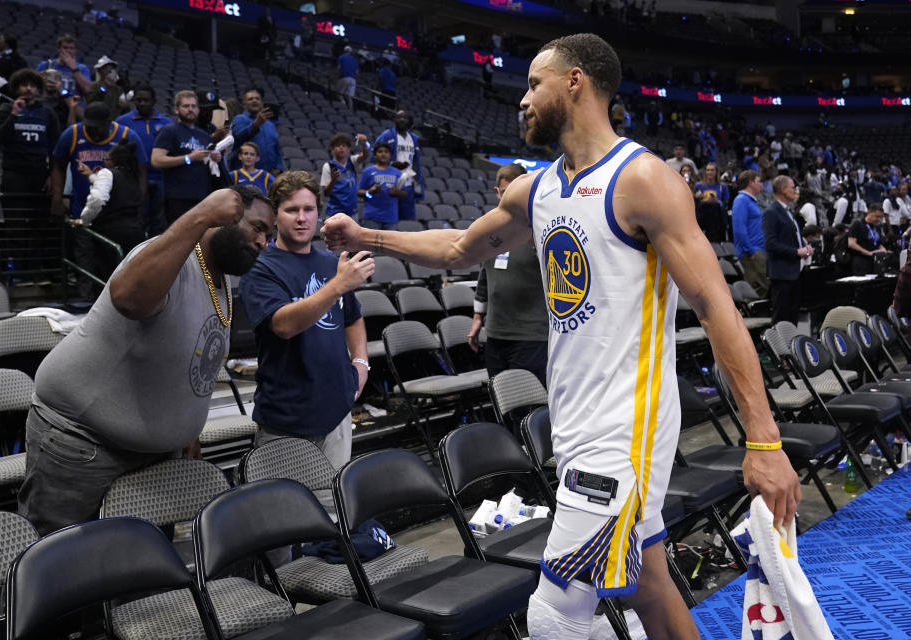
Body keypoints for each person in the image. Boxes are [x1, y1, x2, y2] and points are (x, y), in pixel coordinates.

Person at [324, 33, 799, 640]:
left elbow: (716, 308)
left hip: (625, 430)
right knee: (649, 588)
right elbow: (457, 249)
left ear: (575, 82)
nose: (522, 100)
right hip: (574, 423)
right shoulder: (536, 188)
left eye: (533, 84)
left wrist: (763, 441)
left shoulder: (643, 180)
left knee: (554, 617)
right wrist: (368, 236)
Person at [17, 185, 274, 535]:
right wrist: (200, 214)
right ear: (226, 215)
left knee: (137, 568)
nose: (262, 242)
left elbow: (197, 357)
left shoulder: (222, 280)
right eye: (257, 228)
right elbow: (129, 300)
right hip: (83, 441)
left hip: (154, 452)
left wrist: (187, 429)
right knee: (61, 567)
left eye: (269, 236)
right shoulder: (170, 256)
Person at [239, 171, 371, 469]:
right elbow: (284, 325)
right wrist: (338, 284)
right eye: (291, 210)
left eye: (308, 209)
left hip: (337, 411)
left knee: (333, 510)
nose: (302, 218)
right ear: (275, 216)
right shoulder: (260, 268)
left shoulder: (330, 262)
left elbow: (353, 317)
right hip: (288, 419)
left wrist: (361, 363)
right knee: (288, 511)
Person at [467, 162, 548, 385]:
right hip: (495, 333)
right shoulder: (489, 228)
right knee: (501, 400)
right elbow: (484, 276)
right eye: (505, 193)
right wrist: (477, 319)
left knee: (529, 407)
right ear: (497, 192)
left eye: (515, 193)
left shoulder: (541, 229)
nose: (510, 199)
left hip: (532, 335)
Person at [74, 140, 146, 280]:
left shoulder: (106, 173)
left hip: (110, 234)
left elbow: (98, 199)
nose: (104, 162)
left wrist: (84, 220)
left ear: (113, 161)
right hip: (135, 233)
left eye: (105, 159)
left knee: (107, 280)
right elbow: (114, 188)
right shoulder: (133, 176)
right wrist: (90, 175)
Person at [151, 90, 221, 225]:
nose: (190, 110)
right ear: (176, 110)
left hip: (201, 196)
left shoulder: (204, 135)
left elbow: (206, 162)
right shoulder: (169, 131)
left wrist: (214, 158)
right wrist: (189, 158)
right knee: (179, 238)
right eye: (186, 106)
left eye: (194, 106)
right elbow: (156, 160)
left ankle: (198, 248)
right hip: (177, 197)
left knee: (197, 239)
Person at [0, 68, 60, 196]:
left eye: (33, 85)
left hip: (40, 172)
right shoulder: (6, 109)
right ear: (17, 87)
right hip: (13, 172)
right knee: (14, 214)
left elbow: (55, 146)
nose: (29, 88)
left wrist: (52, 175)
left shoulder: (48, 112)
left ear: (38, 89)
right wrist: (14, 114)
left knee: (38, 215)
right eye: (24, 85)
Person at [116, 83, 171, 236]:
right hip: (133, 178)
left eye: (146, 100)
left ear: (154, 101)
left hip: (161, 178)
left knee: (160, 221)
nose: (142, 103)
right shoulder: (122, 122)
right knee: (138, 219)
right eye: (138, 100)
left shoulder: (167, 123)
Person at [762, 176, 812, 325]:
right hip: (782, 272)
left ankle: (791, 347)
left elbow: (790, 238)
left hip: (793, 271)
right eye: (792, 187)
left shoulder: (787, 211)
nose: (795, 191)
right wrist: (797, 252)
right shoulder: (771, 212)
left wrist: (804, 247)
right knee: (781, 318)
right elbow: (770, 244)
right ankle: (779, 348)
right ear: (783, 189)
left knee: (792, 316)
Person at [375, 110, 424, 221]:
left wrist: (418, 181)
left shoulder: (414, 139)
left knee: (407, 219)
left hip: (408, 182)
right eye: (399, 117)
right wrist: (392, 164)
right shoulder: (387, 135)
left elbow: (416, 161)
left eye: (405, 117)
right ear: (394, 120)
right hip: (390, 181)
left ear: (409, 121)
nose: (402, 120)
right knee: (389, 218)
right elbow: (375, 155)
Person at [230, 87, 283, 176]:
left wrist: (279, 168)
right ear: (244, 104)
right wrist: (255, 125)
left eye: (257, 99)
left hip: (269, 175)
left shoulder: (270, 125)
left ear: (262, 103)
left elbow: (277, 149)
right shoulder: (239, 119)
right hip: (245, 174)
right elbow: (237, 138)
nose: (254, 101)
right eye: (250, 99)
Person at [732, 170, 769, 296]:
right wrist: (750, 251)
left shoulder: (751, 201)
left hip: (758, 250)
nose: (761, 185)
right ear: (751, 182)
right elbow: (739, 229)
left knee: (763, 288)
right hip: (753, 253)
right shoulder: (741, 200)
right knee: (757, 290)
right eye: (759, 181)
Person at [357, 141, 405, 230]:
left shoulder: (397, 173)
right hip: (371, 217)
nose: (383, 154)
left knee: (389, 244)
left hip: (391, 217)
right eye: (380, 151)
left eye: (386, 152)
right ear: (375, 155)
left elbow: (405, 194)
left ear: (390, 155)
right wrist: (369, 192)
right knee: (371, 244)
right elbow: (358, 192)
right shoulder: (368, 171)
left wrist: (396, 192)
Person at [321, 132, 370, 217]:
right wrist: (333, 180)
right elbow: (326, 193)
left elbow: (365, 155)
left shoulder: (352, 161)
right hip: (334, 213)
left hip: (352, 213)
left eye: (344, 146)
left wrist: (364, 144)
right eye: (337, 146)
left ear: (349, 149)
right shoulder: (328, 166)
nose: (341, 148)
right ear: (333, 149)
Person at [35, 34, 92, 98]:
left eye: (71, 48)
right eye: (65, 48)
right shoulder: (46, 65)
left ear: (75, 51)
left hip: (73, 104)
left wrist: (74, 68)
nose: (68, 51)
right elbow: (33, 87)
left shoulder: (82, 68)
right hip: (49, 102)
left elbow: (88, 90)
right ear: (58, 49)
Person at [848, 204, 889, 276]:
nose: (878, 219)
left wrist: (883, 250)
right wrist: (868, 253)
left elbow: (878, 243)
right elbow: (851, 243)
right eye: (877, 216)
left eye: (880, 217)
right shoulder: (857, 224)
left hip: (874, 262)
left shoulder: (877, 227)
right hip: (860, 261)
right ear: (869, 212)